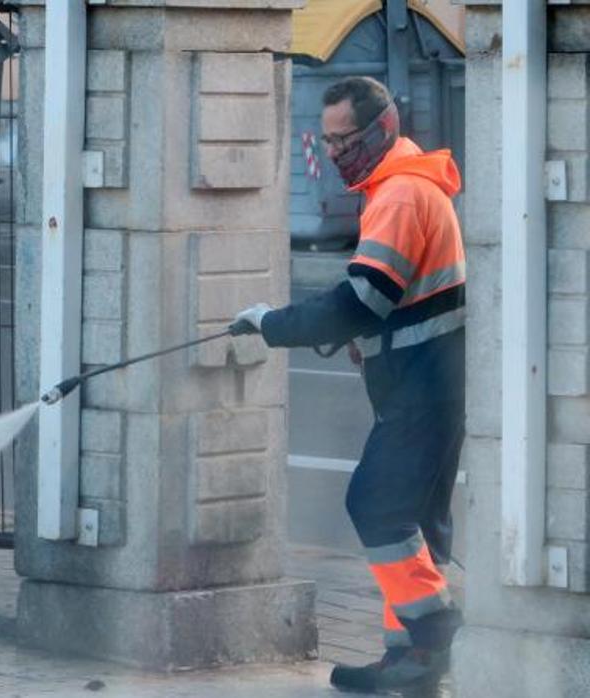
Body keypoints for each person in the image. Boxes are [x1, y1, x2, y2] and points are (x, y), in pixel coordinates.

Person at [232, 76, 465, 694]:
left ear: (382, 129)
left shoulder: (399, 196)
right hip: (432, 379)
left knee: (376, 505)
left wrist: (272, 324)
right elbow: (394, 301)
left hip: (424, 386)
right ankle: (409, 663)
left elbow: (364, 299)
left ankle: (433, 630)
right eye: (327, 140)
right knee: (412, 521)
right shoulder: (402, 186)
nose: (335, 153)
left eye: (345, 139)